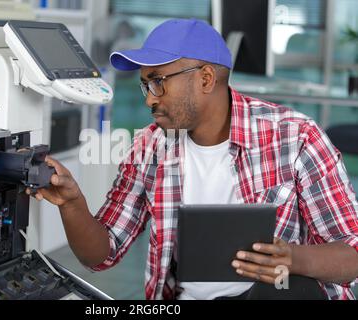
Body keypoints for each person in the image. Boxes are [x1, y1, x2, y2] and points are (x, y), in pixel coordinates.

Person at [29, 18, 358, 300]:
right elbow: (102, 254)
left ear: (205, 79)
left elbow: (352, 253)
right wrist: (72, 204)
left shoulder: (295, 137)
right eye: (145, 86)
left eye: (158, 82)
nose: (149, 101)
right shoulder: (150, 147)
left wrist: (294, 258)